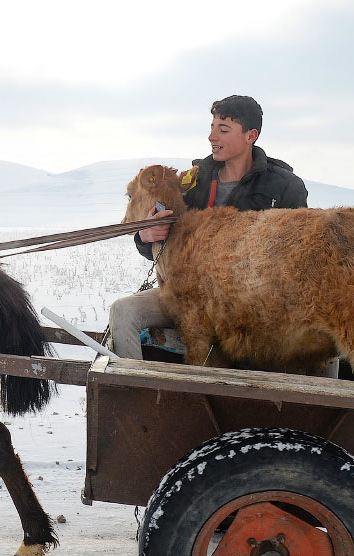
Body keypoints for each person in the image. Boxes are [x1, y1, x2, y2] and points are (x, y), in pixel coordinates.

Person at [108, 95, 308, 359]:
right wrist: (145, 236)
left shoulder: (284, 187)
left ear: (251, 135)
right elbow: (164, 245)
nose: (212, 137)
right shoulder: (195, 180)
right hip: (186, 295)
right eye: (212, 128)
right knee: (123, 312)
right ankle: (134, 389)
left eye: (223, 130)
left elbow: (299, 254)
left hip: (249, 300)